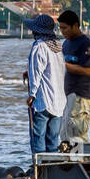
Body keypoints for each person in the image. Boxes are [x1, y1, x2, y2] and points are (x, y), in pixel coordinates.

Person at [24, 15, 67, 157]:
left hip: (43, 101)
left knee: (38, 139)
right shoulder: (58, 47)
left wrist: (32, 95)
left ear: (37, 31)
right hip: (59, 102)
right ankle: (51, 172)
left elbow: (36, 72)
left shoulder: (39, 46)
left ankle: (38, 174)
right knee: (53, 140)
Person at [58, 9, 90, 145]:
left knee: (77, 133)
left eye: (65, 28)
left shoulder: (86, 43)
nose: (62, 31)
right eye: (60, 28)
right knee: (65, 133)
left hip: (81, 95)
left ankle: (78, 162)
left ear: (75, 25)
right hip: (67, 94)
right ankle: (67, 164)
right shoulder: (66, 44)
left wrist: (63, 64)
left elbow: (87, 71)